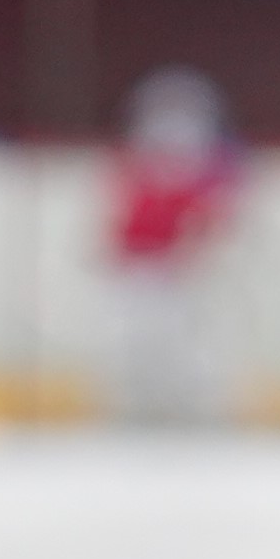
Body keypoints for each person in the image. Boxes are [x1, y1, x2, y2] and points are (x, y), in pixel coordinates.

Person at [99, 65, 245, 427]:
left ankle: (201, 409)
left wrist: (199, 252)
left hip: (186, 269)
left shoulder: (209, 175)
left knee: (194, 341)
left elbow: (213, 220)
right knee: (134, 337)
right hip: (139, 266)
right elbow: (124, 220)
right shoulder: (134, 168)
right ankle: (137, 406)